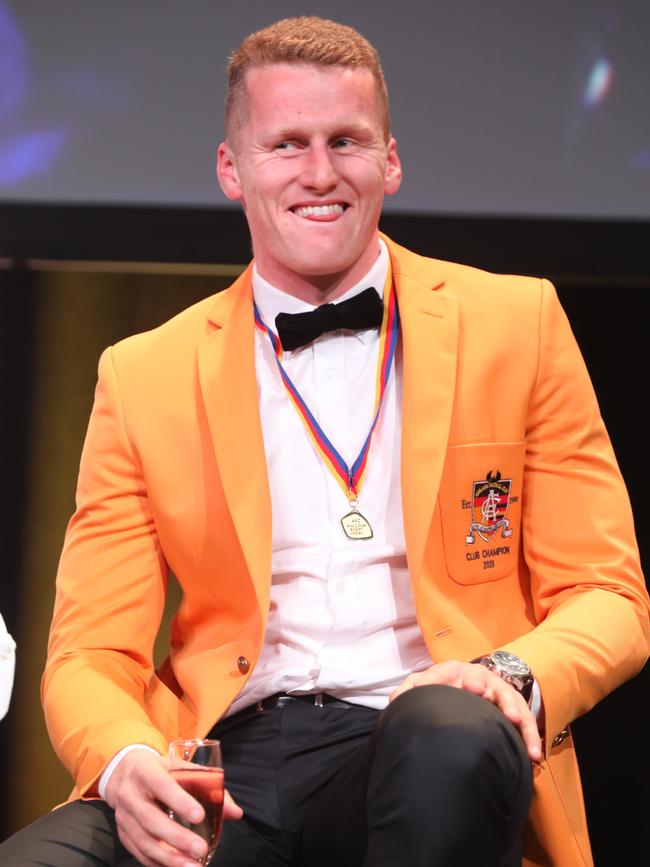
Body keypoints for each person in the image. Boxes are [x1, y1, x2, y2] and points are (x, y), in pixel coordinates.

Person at [1, 15, 648, 867]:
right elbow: (90, 652)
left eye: (347, 141)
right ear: (231, 169)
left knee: (448, 731)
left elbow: (611, 594)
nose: (320, 172)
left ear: (391, 160)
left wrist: (508, 674)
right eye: (287, 144)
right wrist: (124, 756)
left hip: (419, 733)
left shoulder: (515, 325)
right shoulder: (142, 372)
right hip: (221, 766)